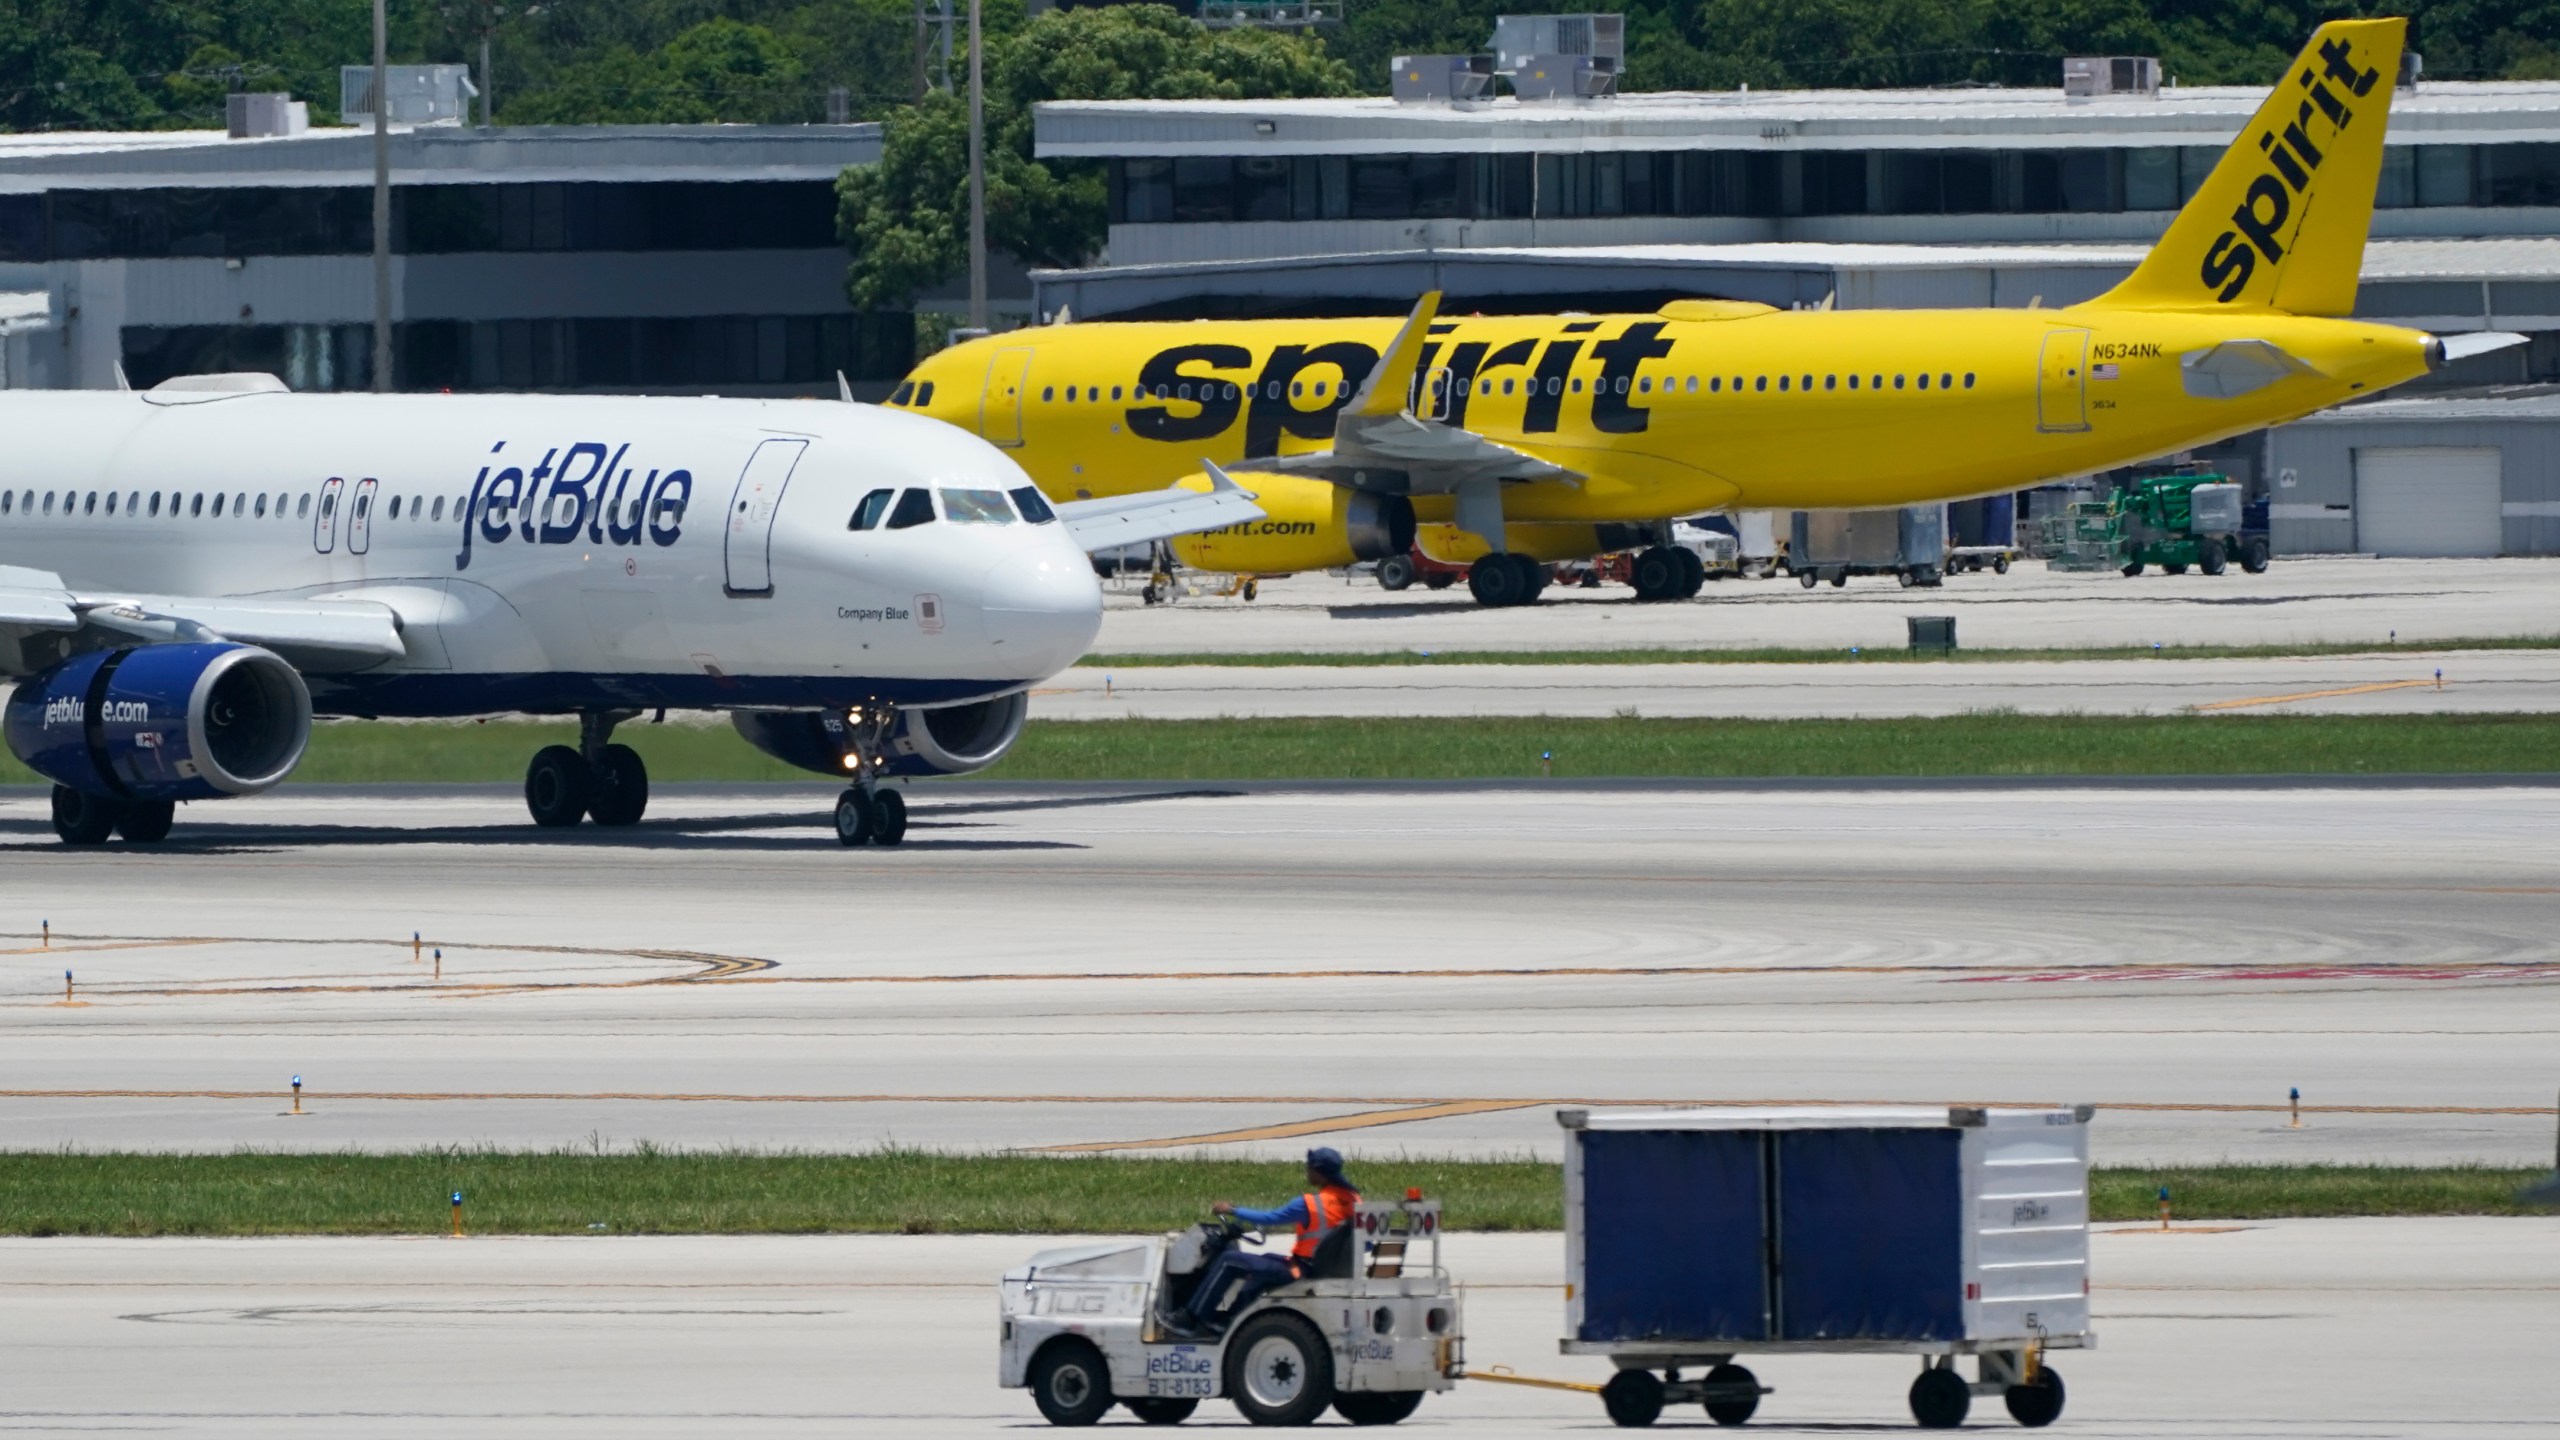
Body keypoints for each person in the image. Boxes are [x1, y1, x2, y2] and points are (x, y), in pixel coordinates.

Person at [1177, 1147, 1360, 1335]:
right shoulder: (1354, 1200)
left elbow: (1270, 1218)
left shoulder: (1310, 1204)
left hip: (1302, 1270)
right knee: (1264, 1260)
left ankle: (1191, 1318)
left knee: (1229, 1260)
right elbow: (1364, 1243)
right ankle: (1228, 1320)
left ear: (1319, 1172)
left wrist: (1232, 1210)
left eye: (1309, 1167)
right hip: (1323, 1269)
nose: (1307, 1171)